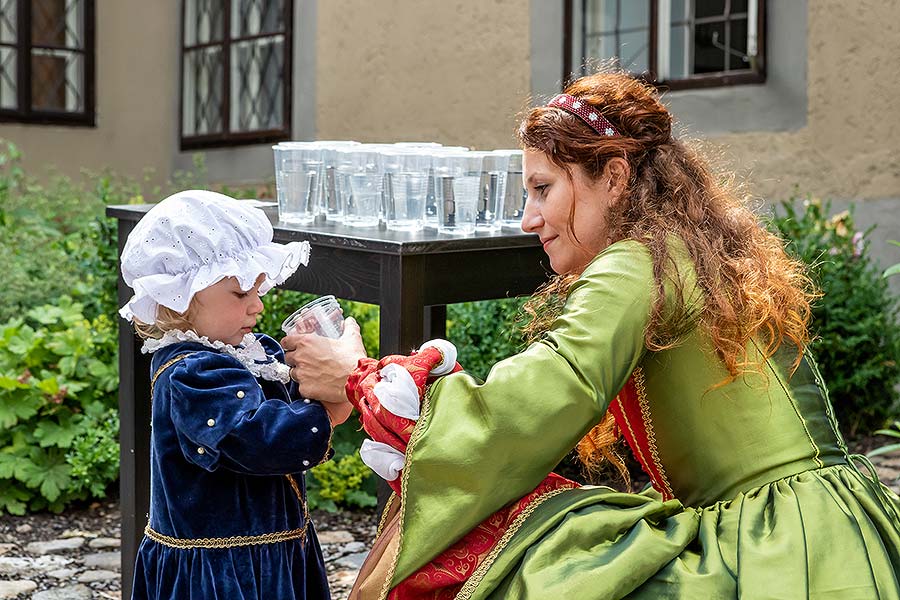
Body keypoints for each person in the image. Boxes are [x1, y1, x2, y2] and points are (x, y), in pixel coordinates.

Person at [282, 72, 900, 599]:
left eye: (543, 189)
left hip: (771, 551)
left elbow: (547, 391)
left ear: (613, 176)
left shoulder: (639, 261)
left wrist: (360, 380)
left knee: (528, 559)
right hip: (838, 524)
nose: (528, 219)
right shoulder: (693, 250)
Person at [119, 190, 352, 600]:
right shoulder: (191, 372)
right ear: (183, 300)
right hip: (221, 574)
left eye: (258, 290)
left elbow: (283, 408)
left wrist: (320, 374)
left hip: (270, 551)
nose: (257, 306)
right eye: (241, 294)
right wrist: (328, 412)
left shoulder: (250, 351)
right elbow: (255, 439)